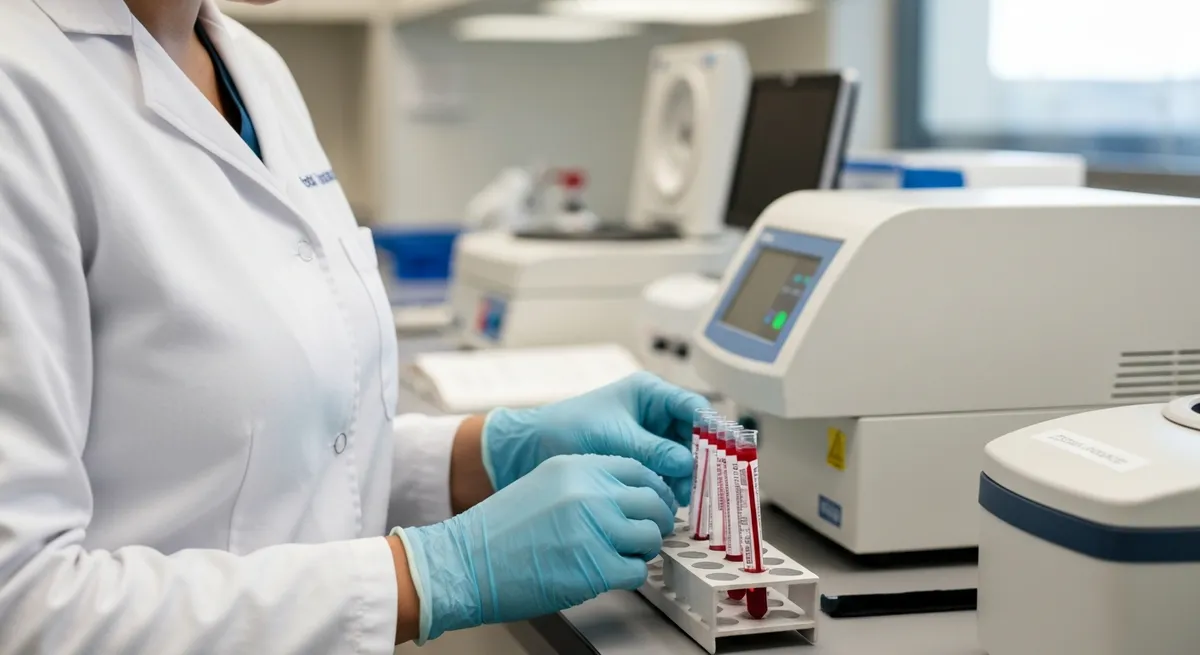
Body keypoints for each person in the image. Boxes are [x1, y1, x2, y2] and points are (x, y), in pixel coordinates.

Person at [0, 0, 709, 651]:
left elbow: (264, 458)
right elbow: (23, 607)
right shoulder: (20, 85)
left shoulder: (252, 65)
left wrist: (482, 454)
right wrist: (430, 573)